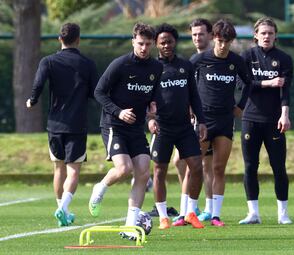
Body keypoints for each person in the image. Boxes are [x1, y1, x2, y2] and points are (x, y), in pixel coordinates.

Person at [88, 22, 163, 239]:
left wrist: (152, 110)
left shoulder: (156, 68)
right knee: (124, 168)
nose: (144, 48)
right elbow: (99, 92)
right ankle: (100, 188)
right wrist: (119, 112)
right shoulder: (120, 64)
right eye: (140, 43)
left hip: (136, 128)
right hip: (114, 125)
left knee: (142, 170)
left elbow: (153, 96)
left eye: (148, 44)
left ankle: (130, 226)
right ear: (133, 42)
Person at [26, 23, 98, 227]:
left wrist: (32, 100)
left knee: (59, 169)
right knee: (73, 171)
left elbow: (38, 85)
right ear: (78, 39)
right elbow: (96, 92)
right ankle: (63, 208)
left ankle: (61, 209)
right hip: (77, 125)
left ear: (60, 39)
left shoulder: (48, 61)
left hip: (54, 124)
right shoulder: (87, 64)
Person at [190, 19, 251, 227]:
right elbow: (186, 83)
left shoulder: (236, 61)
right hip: (204, 120)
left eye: (227, 41)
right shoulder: (200, 59)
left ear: (231, 41)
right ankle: (189, 212)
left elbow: (249, 83)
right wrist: (190, 109)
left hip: (225, 120)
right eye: (220, 40)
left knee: (218, 168)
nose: (223, 45)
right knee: (196, 166)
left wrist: (240, 106)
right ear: (213, 38)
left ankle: (215, 215)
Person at [149, 23, 207, 229]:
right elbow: (145, 98)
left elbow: (194, 96)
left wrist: (200, 121)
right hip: (162, 128)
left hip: (184, 127)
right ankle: (163, 216)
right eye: (162, 42)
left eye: (170, 41)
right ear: (156, 44)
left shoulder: (185, 66)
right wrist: (150, 118)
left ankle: (191, 212)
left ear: (175, 42)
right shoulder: (152, 68)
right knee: (159, 171)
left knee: (197, 167)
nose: (166, 45)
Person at [238, 17, 293, 225]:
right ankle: (253, 213)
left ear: (275, 35)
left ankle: (283, 214)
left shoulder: (284, 59)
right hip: (251, 119)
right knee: (250, 166)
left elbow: (286, 90)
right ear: (256, 35)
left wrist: (285, 114)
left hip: (274, 120)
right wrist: (269, 82)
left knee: (279, 167)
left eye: (270, 33)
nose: (267, 36)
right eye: (263, 33)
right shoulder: (246, 56)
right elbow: (245, 85)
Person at [172, 18, 215, 224]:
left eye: (201, 33)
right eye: (194, 34)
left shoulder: (216, 58)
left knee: (207, 164)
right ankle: (192, 204)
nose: (198, 37)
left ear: (210, 35)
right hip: (190, 118)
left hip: (211, 118)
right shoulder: (191, 61)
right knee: (180, 161)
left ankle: (207, 208)